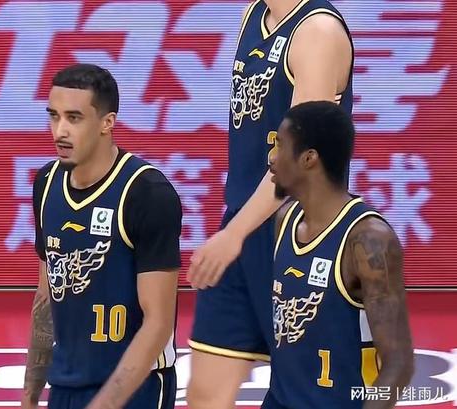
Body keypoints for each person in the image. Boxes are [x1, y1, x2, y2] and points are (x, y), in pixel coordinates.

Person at [186, 0, 355, 407]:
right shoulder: (254, 15)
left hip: (299, 235)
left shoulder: (317, 33)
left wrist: (233, 235)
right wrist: (236, 231)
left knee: (300, 395)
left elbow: (299, 166)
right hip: (244, 223)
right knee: (205, 394)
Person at [21, 63, 181, 409]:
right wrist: (30, 394)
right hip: (65, 385)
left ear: (107, 122)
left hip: (135, 389)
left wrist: (106, 404)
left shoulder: (146, 193)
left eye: (74, 118)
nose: (60, 131)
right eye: (54, 116)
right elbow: (46, 295)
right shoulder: (46, 184)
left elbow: (158, 323)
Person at [265, 100, 414, 408]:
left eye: (280, 146)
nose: (272, 158)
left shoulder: (368, 240)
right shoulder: (284, 220)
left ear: (308, 158)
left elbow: (398, 364)